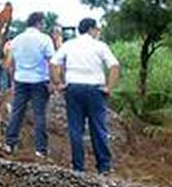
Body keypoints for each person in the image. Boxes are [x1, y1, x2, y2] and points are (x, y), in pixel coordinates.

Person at [52, 18, 121, 174]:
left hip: (73, 89)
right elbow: (114, 66)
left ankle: (78, 167)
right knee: (98, 127)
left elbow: (54, 63)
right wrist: (109, 87)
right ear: (91, 29)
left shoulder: (69, 45)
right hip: (95, 90)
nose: (98, 32)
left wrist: (58, 83)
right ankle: (104, 166)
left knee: (75, 129)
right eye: (97, 29)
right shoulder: (100, 46)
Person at [4, 12, 56, 158]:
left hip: (21, 79)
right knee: (39, 114)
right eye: (43, 23)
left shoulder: (16, 39)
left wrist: (13, 81)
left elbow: (10, 63)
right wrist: (53, 82)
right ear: (39, 23)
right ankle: (40, 149)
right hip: (39, 81)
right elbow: (52, 62)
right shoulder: (45, 39)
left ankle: (10, 143)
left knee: (17, 112)